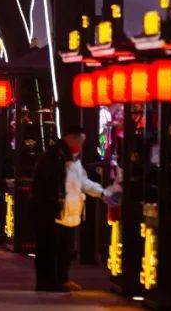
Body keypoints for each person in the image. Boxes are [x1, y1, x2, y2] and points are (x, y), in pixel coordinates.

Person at [32, 124, 112, 292]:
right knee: (52, 248)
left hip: (67, 212)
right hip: (56, 212)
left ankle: (62, 279)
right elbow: (50, 184)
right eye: (80, 142)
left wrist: (102, 193)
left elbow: (82, 181)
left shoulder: (71, 159)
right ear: (71, 138)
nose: (81, 146)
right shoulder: (56, 156)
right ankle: (50, 282)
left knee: (64, 249)